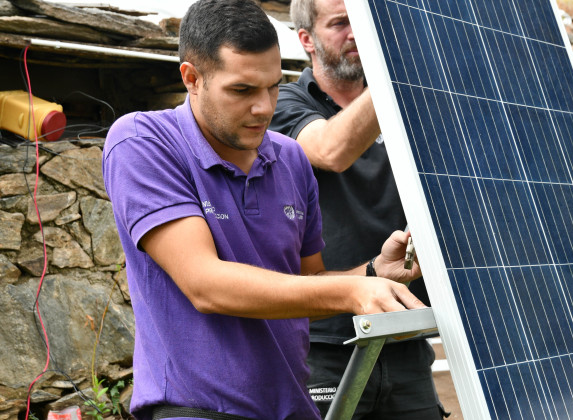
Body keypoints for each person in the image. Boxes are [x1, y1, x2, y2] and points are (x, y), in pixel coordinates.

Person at [101, 1, 424, 419]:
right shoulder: (143, 141)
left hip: (290, 405)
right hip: (195, 408)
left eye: (273, 86)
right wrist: (351, 292)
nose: (264, 107)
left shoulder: (290, 158)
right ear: (191, 78)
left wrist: (371, 274)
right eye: (242, 90)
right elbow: (205, 284)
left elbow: (307, 284)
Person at [269, 0, 446, 417]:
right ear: (306, 40)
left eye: (362, 24)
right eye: (340, 23)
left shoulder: (411, 108)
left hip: (403, 330)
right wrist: (396, 70)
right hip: (326, 342)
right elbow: (331, 150)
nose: (356, 34)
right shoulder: (281, 105)